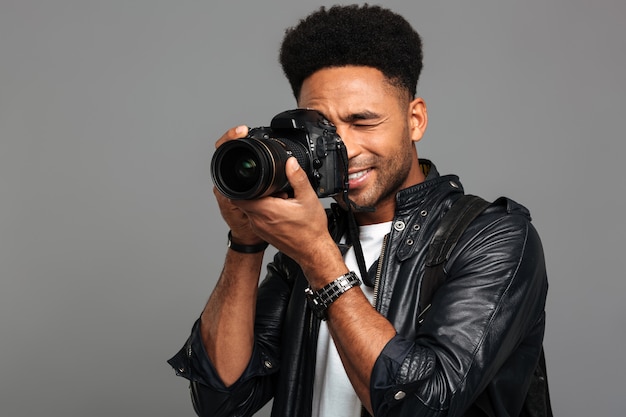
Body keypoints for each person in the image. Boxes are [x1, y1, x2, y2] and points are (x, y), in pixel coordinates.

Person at [168, 4, 549, 417]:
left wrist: (319, 256)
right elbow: (222, 399)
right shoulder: (310, 243)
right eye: (323, 129)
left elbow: (422, 407)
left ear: (415, 119)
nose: (344, 149)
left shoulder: (492, 239)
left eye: (363, 122)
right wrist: (245, 242)